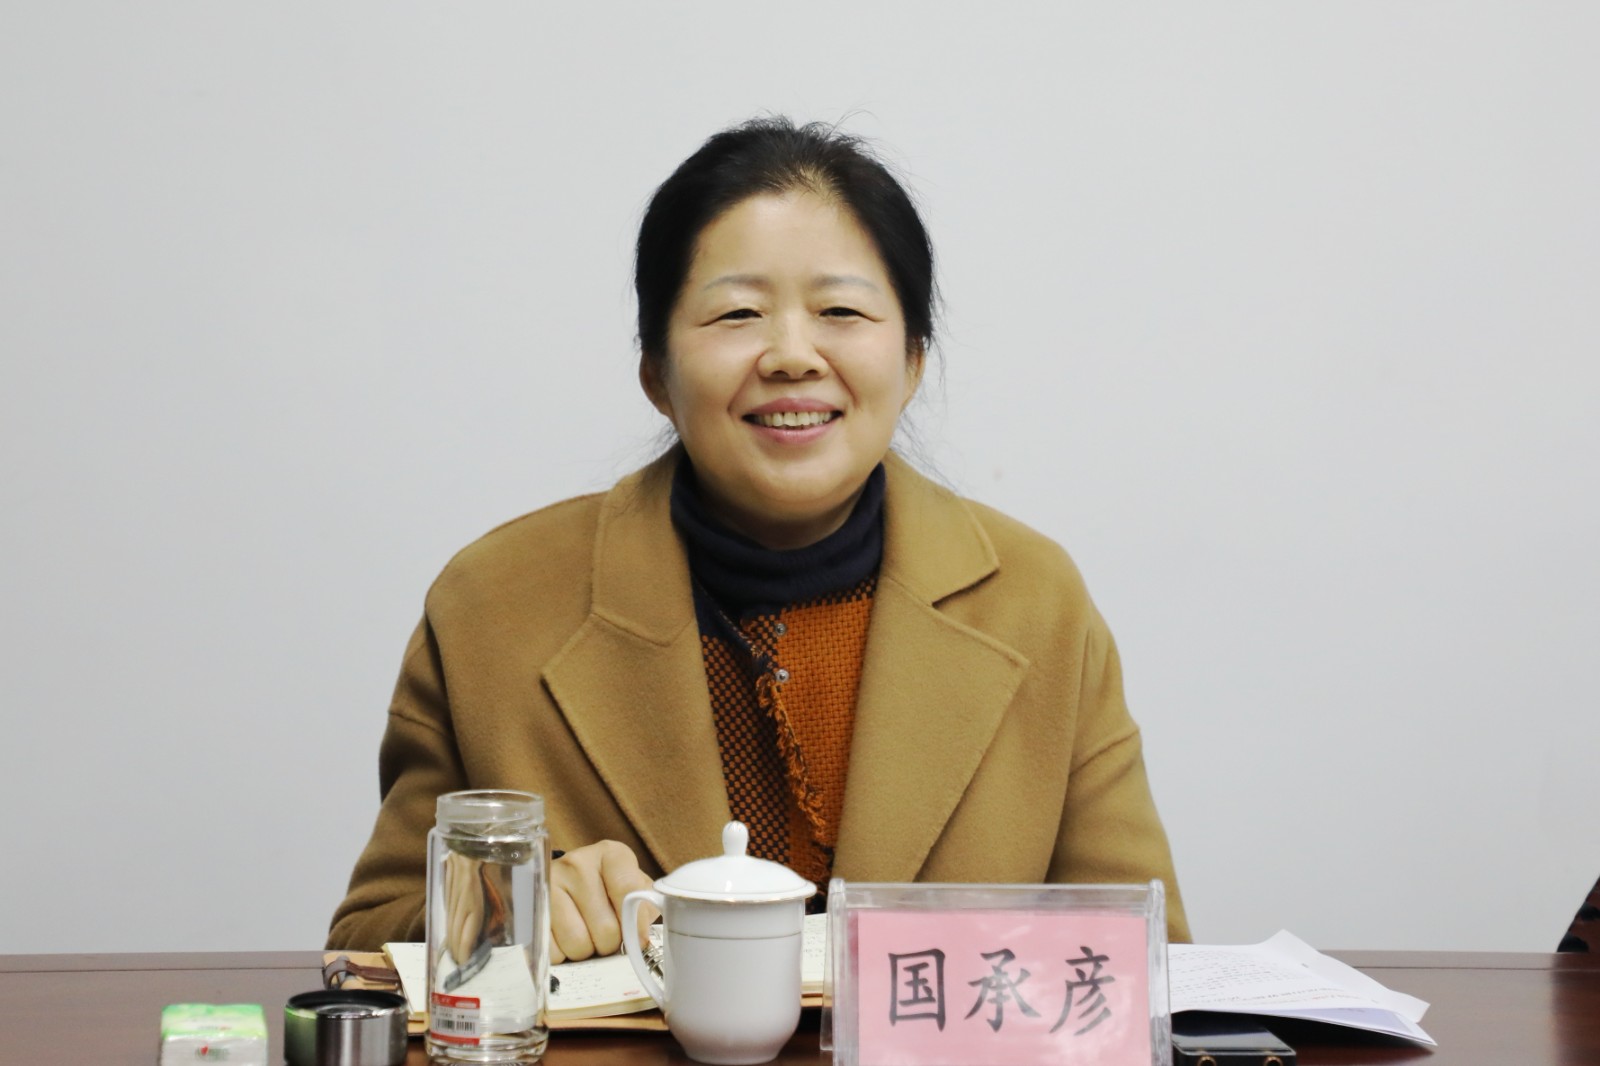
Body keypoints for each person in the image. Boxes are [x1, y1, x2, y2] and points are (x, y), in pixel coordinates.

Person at [328, 117, 1190, 960]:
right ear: (656, 372)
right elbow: (363, 948)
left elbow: (1151, 962)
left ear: (913, 361)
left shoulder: (1035, 603)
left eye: (841, 310)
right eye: (738, 313)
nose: (791, 355)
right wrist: (505, 911)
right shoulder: (495, 605)